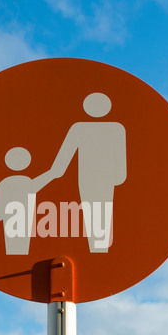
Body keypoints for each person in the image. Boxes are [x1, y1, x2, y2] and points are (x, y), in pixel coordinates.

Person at [49, 92, 127, 253]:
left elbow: (120, 155)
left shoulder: (113, 128)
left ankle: (99, 249)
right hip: (94, 178)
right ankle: (98, 249)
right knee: (97, 210)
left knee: (98, 209)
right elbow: (66, 153)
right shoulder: (109, 128)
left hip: (96, 178)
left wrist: (57, 171)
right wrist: (119, 176)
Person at [0, 147, 53, 255]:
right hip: (23, 220)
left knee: (14, 247)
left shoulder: (4, 183)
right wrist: (52, 173)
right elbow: (41, 181)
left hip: (12, 220)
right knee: (21, 245)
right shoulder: (27, 182)